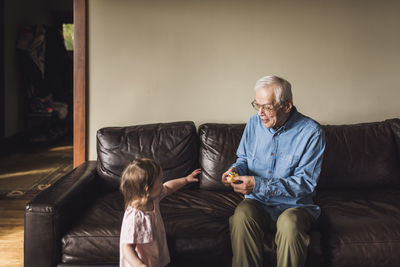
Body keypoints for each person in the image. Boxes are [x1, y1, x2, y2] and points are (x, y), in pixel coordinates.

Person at [221, 75, 326, 267]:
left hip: (294, 206)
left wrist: (257, 184)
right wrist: (234, 171)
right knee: (241, 215)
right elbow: (243, 159)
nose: (260, 113)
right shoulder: (253, 124)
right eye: (257, 105)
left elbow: (305, 183)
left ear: (287, 106)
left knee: (289, 224)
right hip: (258, 203)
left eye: (267, 107)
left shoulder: (312, 132)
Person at [120, 158, 201, 267]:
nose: (162, 183)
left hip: (155, 257)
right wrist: (139, 265)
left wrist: (186, 180)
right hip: (140, 263)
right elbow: (127, 248)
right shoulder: (135, 216)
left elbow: (169, 187)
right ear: (147, 190)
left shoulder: (153, 198)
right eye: (159, 181)